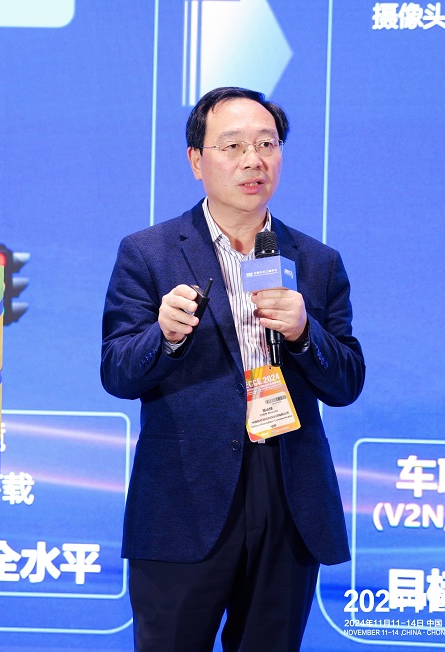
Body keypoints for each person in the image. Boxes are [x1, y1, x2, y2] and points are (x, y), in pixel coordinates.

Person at [100, 87, 365, 651]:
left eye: (267, 145)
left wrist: (304, 333)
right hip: (183, 500)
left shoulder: (316, 261)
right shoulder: (149, 253)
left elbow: (346, 382)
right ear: (196, 160)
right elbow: (117, 372)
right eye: (234, 146)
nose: (253, 160)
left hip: (288, 495)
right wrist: (164, 337)